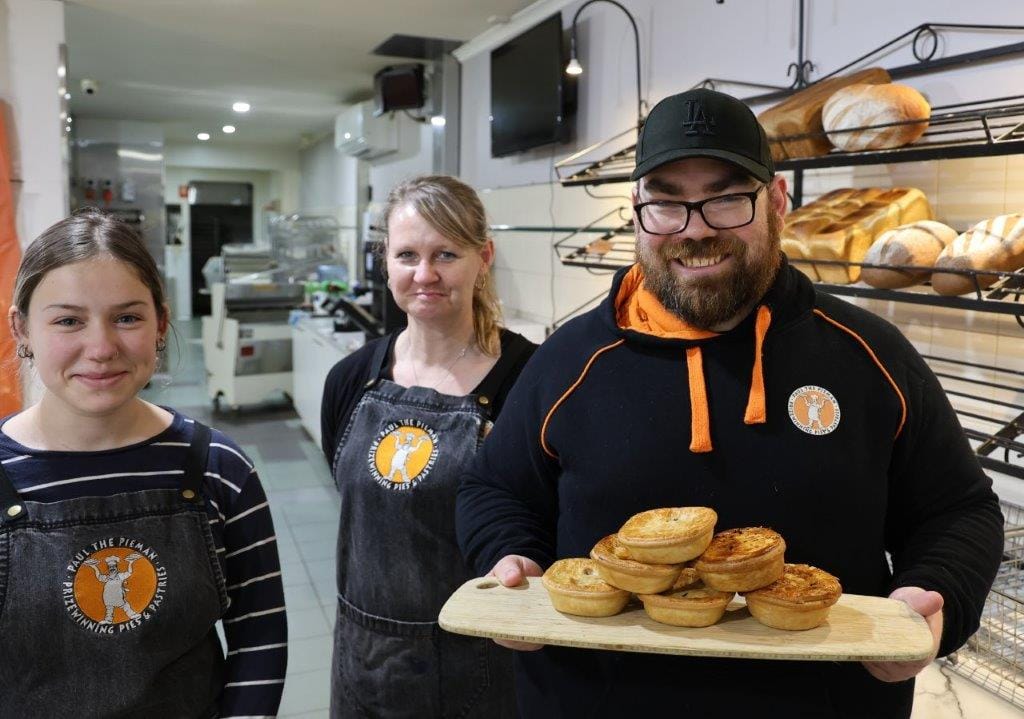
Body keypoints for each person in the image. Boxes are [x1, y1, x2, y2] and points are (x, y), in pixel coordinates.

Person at [455, 89, 1004, 718]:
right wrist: (511, 558)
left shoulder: (868, 355)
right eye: (666, 201)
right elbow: (493, 488)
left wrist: (933, 596)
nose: (695, 230)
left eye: (726, 198)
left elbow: (959, 510)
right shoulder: (571, 360)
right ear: (637, 212)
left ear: (776, 202)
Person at [0, 209, 287, 717]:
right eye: (68, 320)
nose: (101, 348)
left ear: (161, 323)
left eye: (127, 317)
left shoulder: (220, 469)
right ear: (21, 328)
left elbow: (260, 636)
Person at [320, 175, 537, 717]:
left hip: (483, 663)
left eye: (446, 254)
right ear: (385, 262)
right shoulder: (351, 378)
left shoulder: (528, 377)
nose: (425, 275)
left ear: (483, 257)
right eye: (407, 255)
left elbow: (545, 516)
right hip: (363, 661)